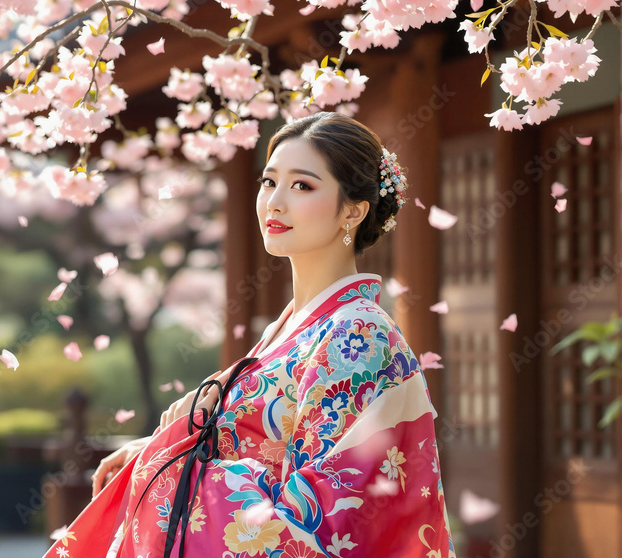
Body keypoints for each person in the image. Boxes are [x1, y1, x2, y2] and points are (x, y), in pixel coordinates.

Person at [43, 111, 455, 557]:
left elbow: (326, 518)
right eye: (269, 181)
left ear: (352, 211)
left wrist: (169, 467)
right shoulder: (296, 326)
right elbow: (250, 443)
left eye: (302, 186)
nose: (275, 202)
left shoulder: (358, 336)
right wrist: (162, 449)